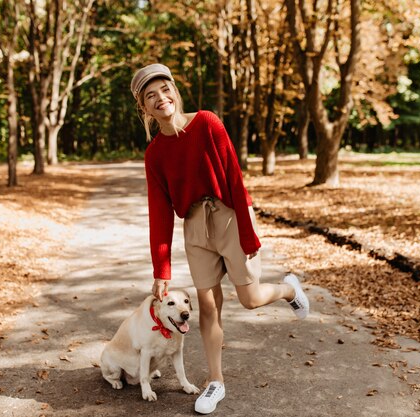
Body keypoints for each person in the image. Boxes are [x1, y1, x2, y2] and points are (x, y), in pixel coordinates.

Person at [131, 63, 309, 415]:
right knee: (208, 307)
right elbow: (160, 213)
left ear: (175, 91)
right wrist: (161, 269)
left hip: (229, 212)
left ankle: (289, 289)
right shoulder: (154, 154)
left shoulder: (208, 123)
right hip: (195, 226)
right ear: (145, 109)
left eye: (164, 89)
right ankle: (216, 382)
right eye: (150, 96)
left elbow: (234, 177)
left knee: (250, 298)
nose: (160, 98)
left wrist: (247, 232)